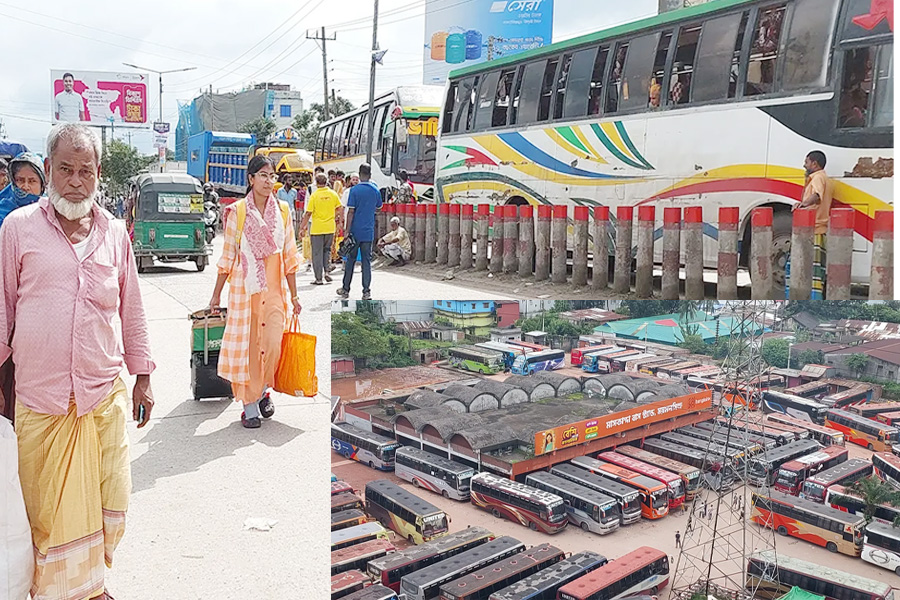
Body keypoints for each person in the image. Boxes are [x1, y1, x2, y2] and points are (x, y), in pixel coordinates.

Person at [0, 123, 155, 600]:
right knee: (46, 512)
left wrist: (143, 377)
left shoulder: (114, 234)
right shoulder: (17, 229)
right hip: (40, 400)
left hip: (101, 396)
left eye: (85, 170)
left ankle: (90, 582)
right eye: (65, 169)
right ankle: (66, 592)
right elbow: (2, 307)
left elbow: (131, 308)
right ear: (48, 171)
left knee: (111, 499)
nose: (75, 180)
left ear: (98, 174)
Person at [209, 155, 302, 429]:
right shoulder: (237, 212)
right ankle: (249, 405)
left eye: (271, 176)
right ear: (250, 179)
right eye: (262, 175)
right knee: (248, 349)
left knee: (273, 345)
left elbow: (290, 257)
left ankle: (263, 392)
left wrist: (295, 296)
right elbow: (227, 258)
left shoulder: (283, 211)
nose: (268, 181)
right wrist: (215, 295)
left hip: (274, 292)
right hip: (245, 292)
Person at [338, 163, 382, 300]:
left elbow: (350, 212)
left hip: (355, 231)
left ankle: (345, 289)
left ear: (359, 173)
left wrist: (347, 231)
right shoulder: (375, 190)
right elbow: (379, 207)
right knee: (366, 262)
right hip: (368, 231)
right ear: (370, 175)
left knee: (350, 260)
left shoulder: (354, 191)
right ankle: (366, 291)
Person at [795, 150, 834, 299]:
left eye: (806, 162)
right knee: (817, 271)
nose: (804, 165)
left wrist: (802, 205)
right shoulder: (826, 179)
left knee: (812, 271)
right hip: (820, 229)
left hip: (815, 229)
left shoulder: (817, 178)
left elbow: (816, 196)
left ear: (814, 164)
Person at [300, 173, 342, 285]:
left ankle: (318, 278)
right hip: (330, 227)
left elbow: (308, 213)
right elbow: (339, 208)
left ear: (316, 183)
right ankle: (327, 271)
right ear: (326, 181)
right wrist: (336, 217)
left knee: (317, 253)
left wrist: (302, 227)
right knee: (327, 250)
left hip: (317, 228)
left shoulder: (314, 196)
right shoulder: (333, 194)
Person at [0, 152, 46, 230]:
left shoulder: (51, 212)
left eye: (32, 181)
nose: (26, 186)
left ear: (42, 185)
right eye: (20, 180)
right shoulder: (3, 210)